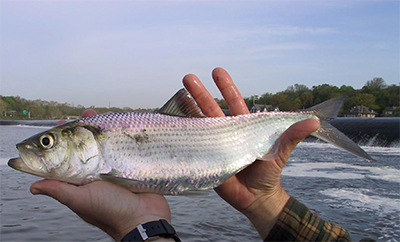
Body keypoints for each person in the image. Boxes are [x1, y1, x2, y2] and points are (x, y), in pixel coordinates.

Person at [30, 68, 370, 242]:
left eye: (47, 143)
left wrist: (137, 230)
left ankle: (319, 119)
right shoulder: (101, 149)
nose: (40, 149)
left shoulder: (104, 146)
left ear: (83, 140)